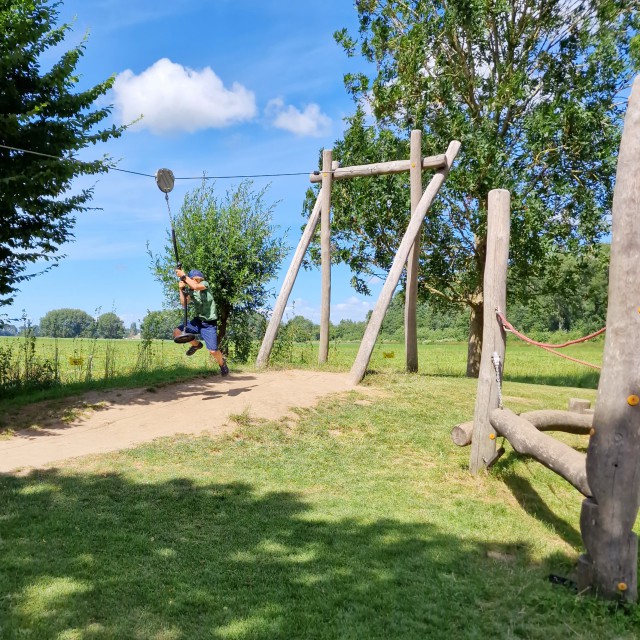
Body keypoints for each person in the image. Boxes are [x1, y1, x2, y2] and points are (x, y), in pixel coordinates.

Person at [173, 268, 229, 376]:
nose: (194, 281)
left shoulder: (204, 284)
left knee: (213, 351)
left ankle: (222, 364)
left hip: (209, 324)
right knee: (177, 332)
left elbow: (196, 286)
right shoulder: (191, 290)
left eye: (195, 279)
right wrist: (181, 289)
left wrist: (183, 276)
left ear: (198, 279)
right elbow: (184, 303)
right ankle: (196, 345)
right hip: (198, 321)